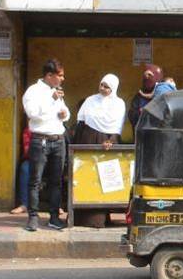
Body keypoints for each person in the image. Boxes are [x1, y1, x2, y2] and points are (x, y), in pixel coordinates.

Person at [22, 58, 70, 231]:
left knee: (56, 181)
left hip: (58, 139)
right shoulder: (33, 91)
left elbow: (65, 114)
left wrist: (64, 113)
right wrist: (51, 99)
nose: (62, 79)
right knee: (35, 180)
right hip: (40, 139)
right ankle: (33, 217)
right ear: (49, 75)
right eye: (60, 75)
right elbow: (32, 113)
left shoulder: (55, 92)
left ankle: (54, 217)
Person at [74, 74, 125, 149]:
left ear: (113, 88)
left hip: (106, 142)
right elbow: (81, 123)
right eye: (101, 85)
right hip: (88, 140)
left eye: (106, 87)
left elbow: (118, 127)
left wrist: (111, 140)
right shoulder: (90, 100)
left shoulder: (119, 104)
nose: (102, 88)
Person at [127, 64, 163, 131]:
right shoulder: (139, 96)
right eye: (145, 76)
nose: (147, 77)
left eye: (150, 75)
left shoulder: (162, 95)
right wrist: (139, 113)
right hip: (141, 134)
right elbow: (131, 114)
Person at [9, 128, 33, 215]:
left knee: (56, 169)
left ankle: (57, 206)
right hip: (33, 159)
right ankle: (24, 204)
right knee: (25, 168)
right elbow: (27, 151)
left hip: (48, 160)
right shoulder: (28, 131)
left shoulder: (51, 129)